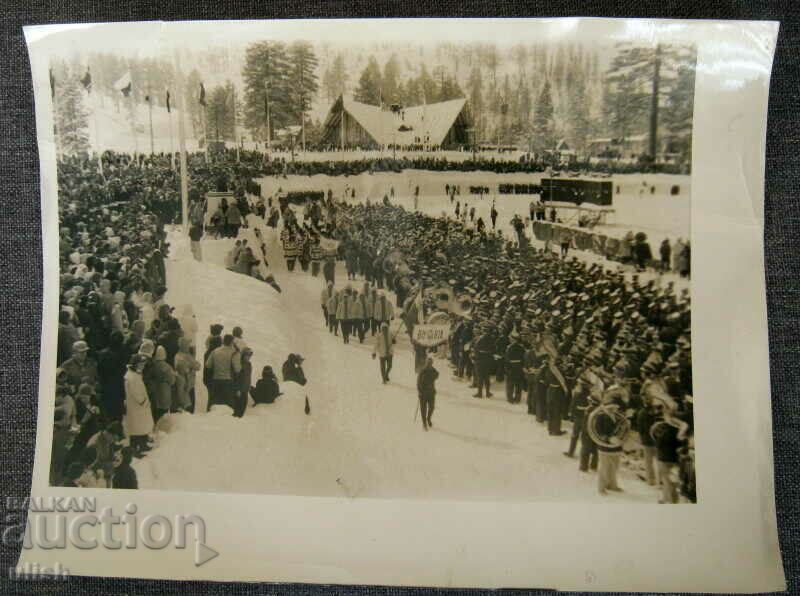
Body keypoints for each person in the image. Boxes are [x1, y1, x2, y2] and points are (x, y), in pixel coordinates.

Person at [124, 354, 154, 458]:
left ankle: (142, 444)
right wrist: (143, 401)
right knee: (136, 428)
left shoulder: (135, 374)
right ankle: (134, 449)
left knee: (141, 426)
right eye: (141, 364)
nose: (143, 366)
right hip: (137, 406)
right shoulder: (132, 377)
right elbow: (136, 393)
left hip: (139, 407)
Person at [205, 334, 241, 411]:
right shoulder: (234, 352)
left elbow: (208, 365)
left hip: (216, 380)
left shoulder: (215, 351)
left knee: (215, 403)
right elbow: (237, 369)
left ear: (223, 341)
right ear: (232, 342)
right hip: (228, 381)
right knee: (228, 405)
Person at [150, 345, 176, 422]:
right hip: (165, 392)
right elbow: (172, 381)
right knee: (163, 414)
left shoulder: (152, 365)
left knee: (155, 413)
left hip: (154, 393)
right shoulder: (167, 367)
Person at [417, 356, 439, 431]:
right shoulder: (422, 371)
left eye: (430, 363)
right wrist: (419, 392)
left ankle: (428, 418)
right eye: (428, 363)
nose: (429, 364)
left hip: (431, 393)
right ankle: (424, 423)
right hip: (423, 393)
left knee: (432, 407)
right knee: (423, 409)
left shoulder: (433, 371)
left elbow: (437, 375)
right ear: (426, 363)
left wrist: (432, 369)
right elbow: (418, 383)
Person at [233, 347, 254, 418]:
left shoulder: (249, 364)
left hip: (245, 389)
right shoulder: (240, 364)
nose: (248, 357)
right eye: (247, 355)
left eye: (250, 355)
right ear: (243, 355)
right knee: (238, 409)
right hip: (240, 390)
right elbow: (237, 378)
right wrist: (237, 389)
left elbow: (248, 377)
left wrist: (248, 387)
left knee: (243, 407)